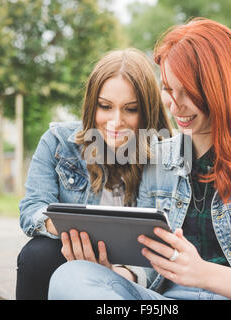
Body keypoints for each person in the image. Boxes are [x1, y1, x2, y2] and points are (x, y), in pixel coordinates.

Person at [48, 18, 231, 300]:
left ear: (221, 88)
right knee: (71, 276)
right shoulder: (157, 157)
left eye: (187, 91)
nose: (175, 105)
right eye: (167, 88)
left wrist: (202, 273)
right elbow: (149, 265)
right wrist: (119, 275)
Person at [16, 48, 173, 300]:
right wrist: (72, 230)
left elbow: (166, 244)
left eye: (130, 109)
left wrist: (123, 274)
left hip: (133, 268)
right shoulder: (57, 143)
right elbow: (31, 210)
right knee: (37, 254)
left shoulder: (164, 155)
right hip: (70, 249)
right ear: (92, 104)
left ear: (147, 111)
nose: (115, 121)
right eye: (105, 106)